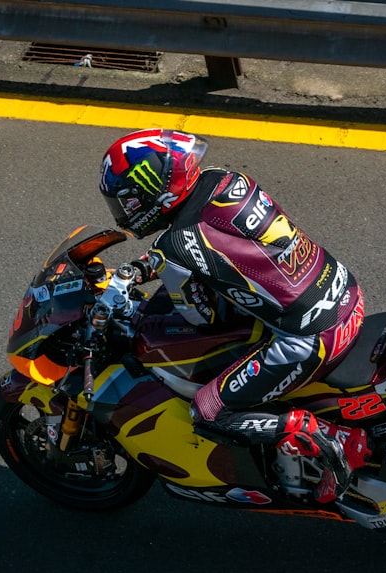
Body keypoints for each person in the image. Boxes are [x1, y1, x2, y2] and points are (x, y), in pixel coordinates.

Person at [98, 128, 369, 503]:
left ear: (152, 190)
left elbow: (202, 317)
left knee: (209, 411)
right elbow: (219, 243)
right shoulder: (225, 180)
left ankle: (326, 439)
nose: (125, 212)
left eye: (127, 201)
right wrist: (149, 266)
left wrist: (164, 271)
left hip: (312, 337)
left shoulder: (175, 246)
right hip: (344, 292)